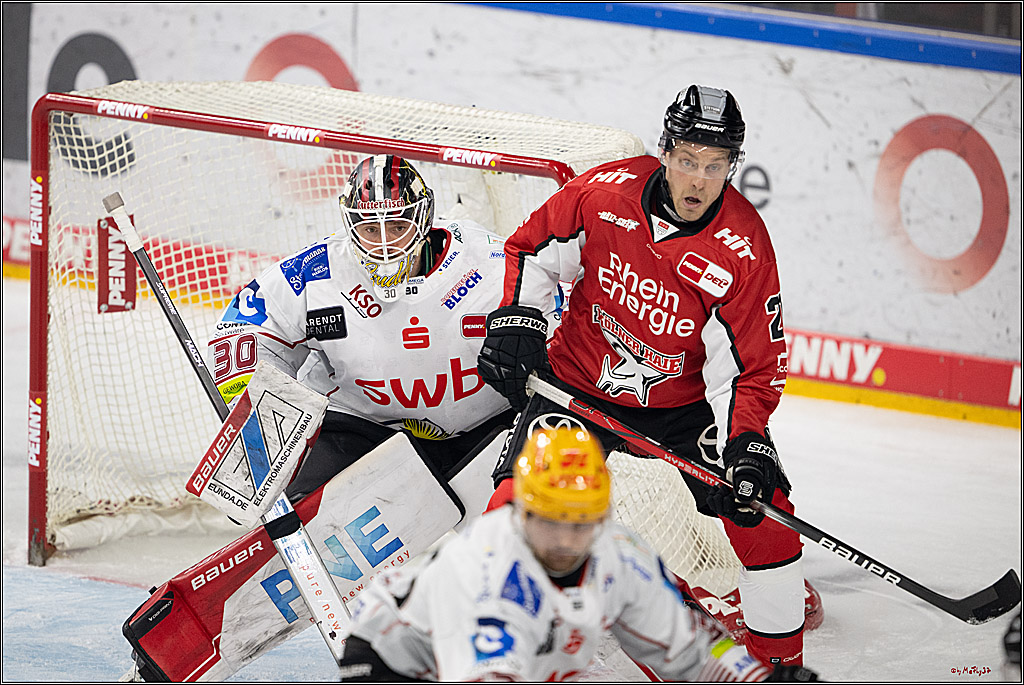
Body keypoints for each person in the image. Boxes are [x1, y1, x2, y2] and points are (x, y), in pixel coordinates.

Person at [476, 84, 807, 666]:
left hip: (681, 411)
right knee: (513, 512)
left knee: (766, 513)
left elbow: (756, 367)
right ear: (665, 152)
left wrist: (748, 443)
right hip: (573, 389)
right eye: (686, 161)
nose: (698, 180)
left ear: (733, 166)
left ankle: (777, 666)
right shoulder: (605, 194)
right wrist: (518, 325)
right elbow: (530, 249)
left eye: (715, 165)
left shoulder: (745, 246)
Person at [336, 427, 817, 682]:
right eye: (552, 521)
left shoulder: (620, 555)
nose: (568, 540)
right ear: (523, 512)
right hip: (392, 655)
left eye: (581, 521)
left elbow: (687, 649)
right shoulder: (490, 572)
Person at [209, 153, 521, 500]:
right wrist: (260, 417)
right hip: (362, 430)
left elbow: (563, 325)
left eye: (398, 227)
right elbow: (241, 328)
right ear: (350, 226)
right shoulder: (318, 271)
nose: (385, 244)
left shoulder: (490, 262)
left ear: (424, 221)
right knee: (296, 506)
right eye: (371, 228)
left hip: (485, 432)